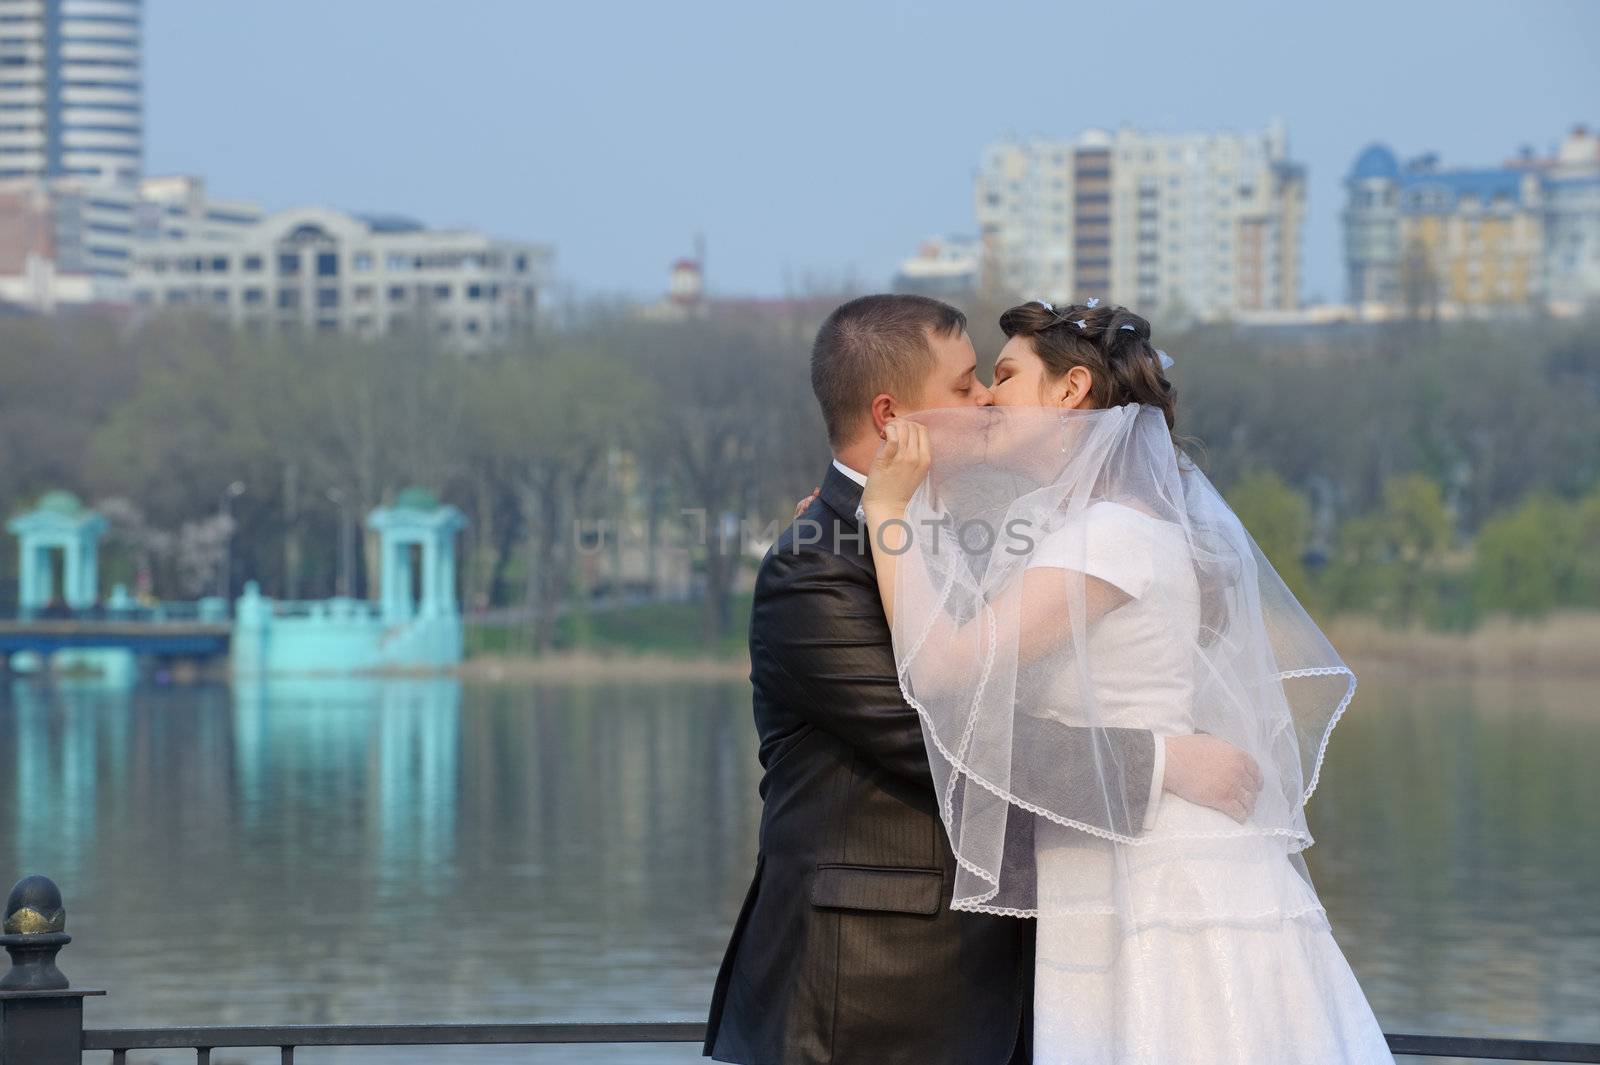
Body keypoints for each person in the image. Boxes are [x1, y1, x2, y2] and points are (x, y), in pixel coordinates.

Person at [703, 294, 1264, 1065]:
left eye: (991, 380)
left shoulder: (978, 530)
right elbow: (949, 740)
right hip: (868, 993)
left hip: (1009, 978)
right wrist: (1167, 761)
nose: (987, 401)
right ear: (894, 414)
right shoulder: (816, 567)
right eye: (966, 386)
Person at [859, 299, 1394, 1064]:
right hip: (1109, 853)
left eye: (1005, 375)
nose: (987, 398)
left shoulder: (1108, 534)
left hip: (1159, 872)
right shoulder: (1087, 526)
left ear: (1071, 390)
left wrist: (884, 509)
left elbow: (946, 668)